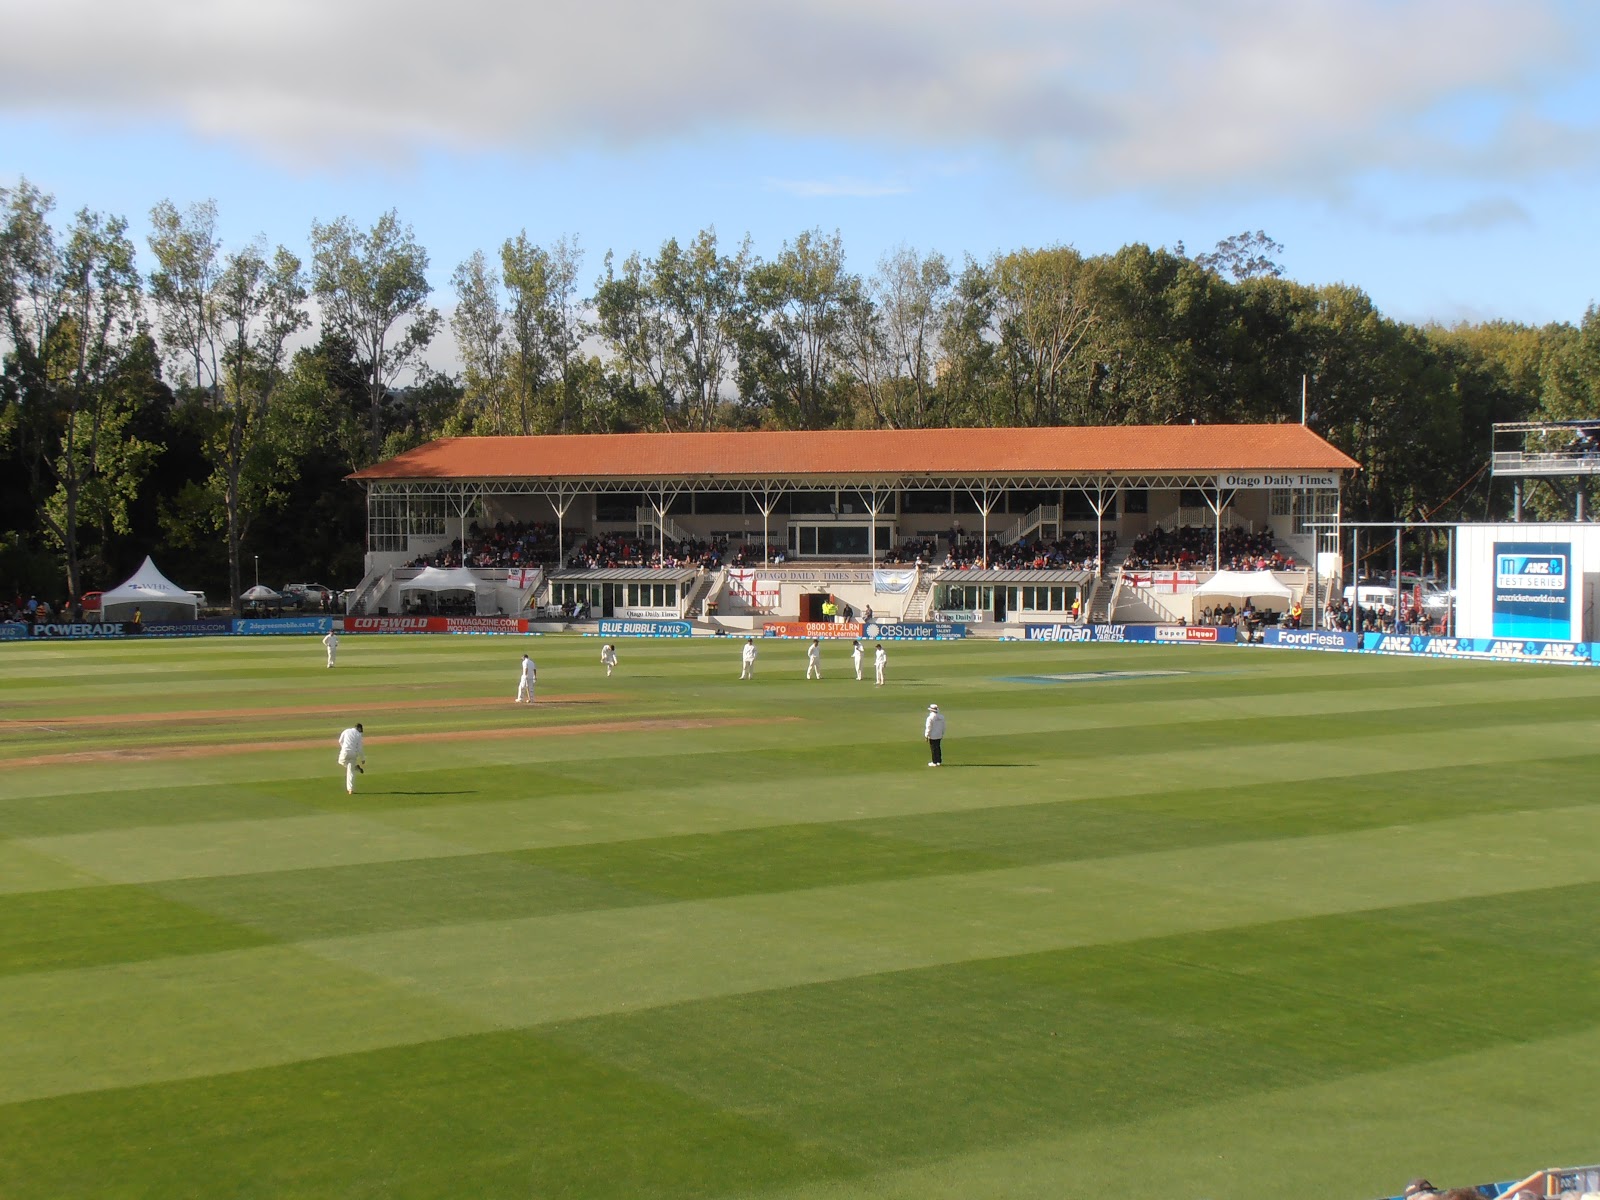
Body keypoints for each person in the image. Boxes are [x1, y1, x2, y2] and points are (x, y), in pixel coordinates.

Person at [337, 722, 365, 794]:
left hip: (345, 751)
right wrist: (362, 759)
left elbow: (340, 741)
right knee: (351, 771)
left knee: (341, 761)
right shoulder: (358, 735)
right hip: (354, 753)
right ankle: (350, 790)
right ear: (359, 728)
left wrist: (343, 747)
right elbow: (359, 748)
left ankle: (355, 767)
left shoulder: (346, 731)